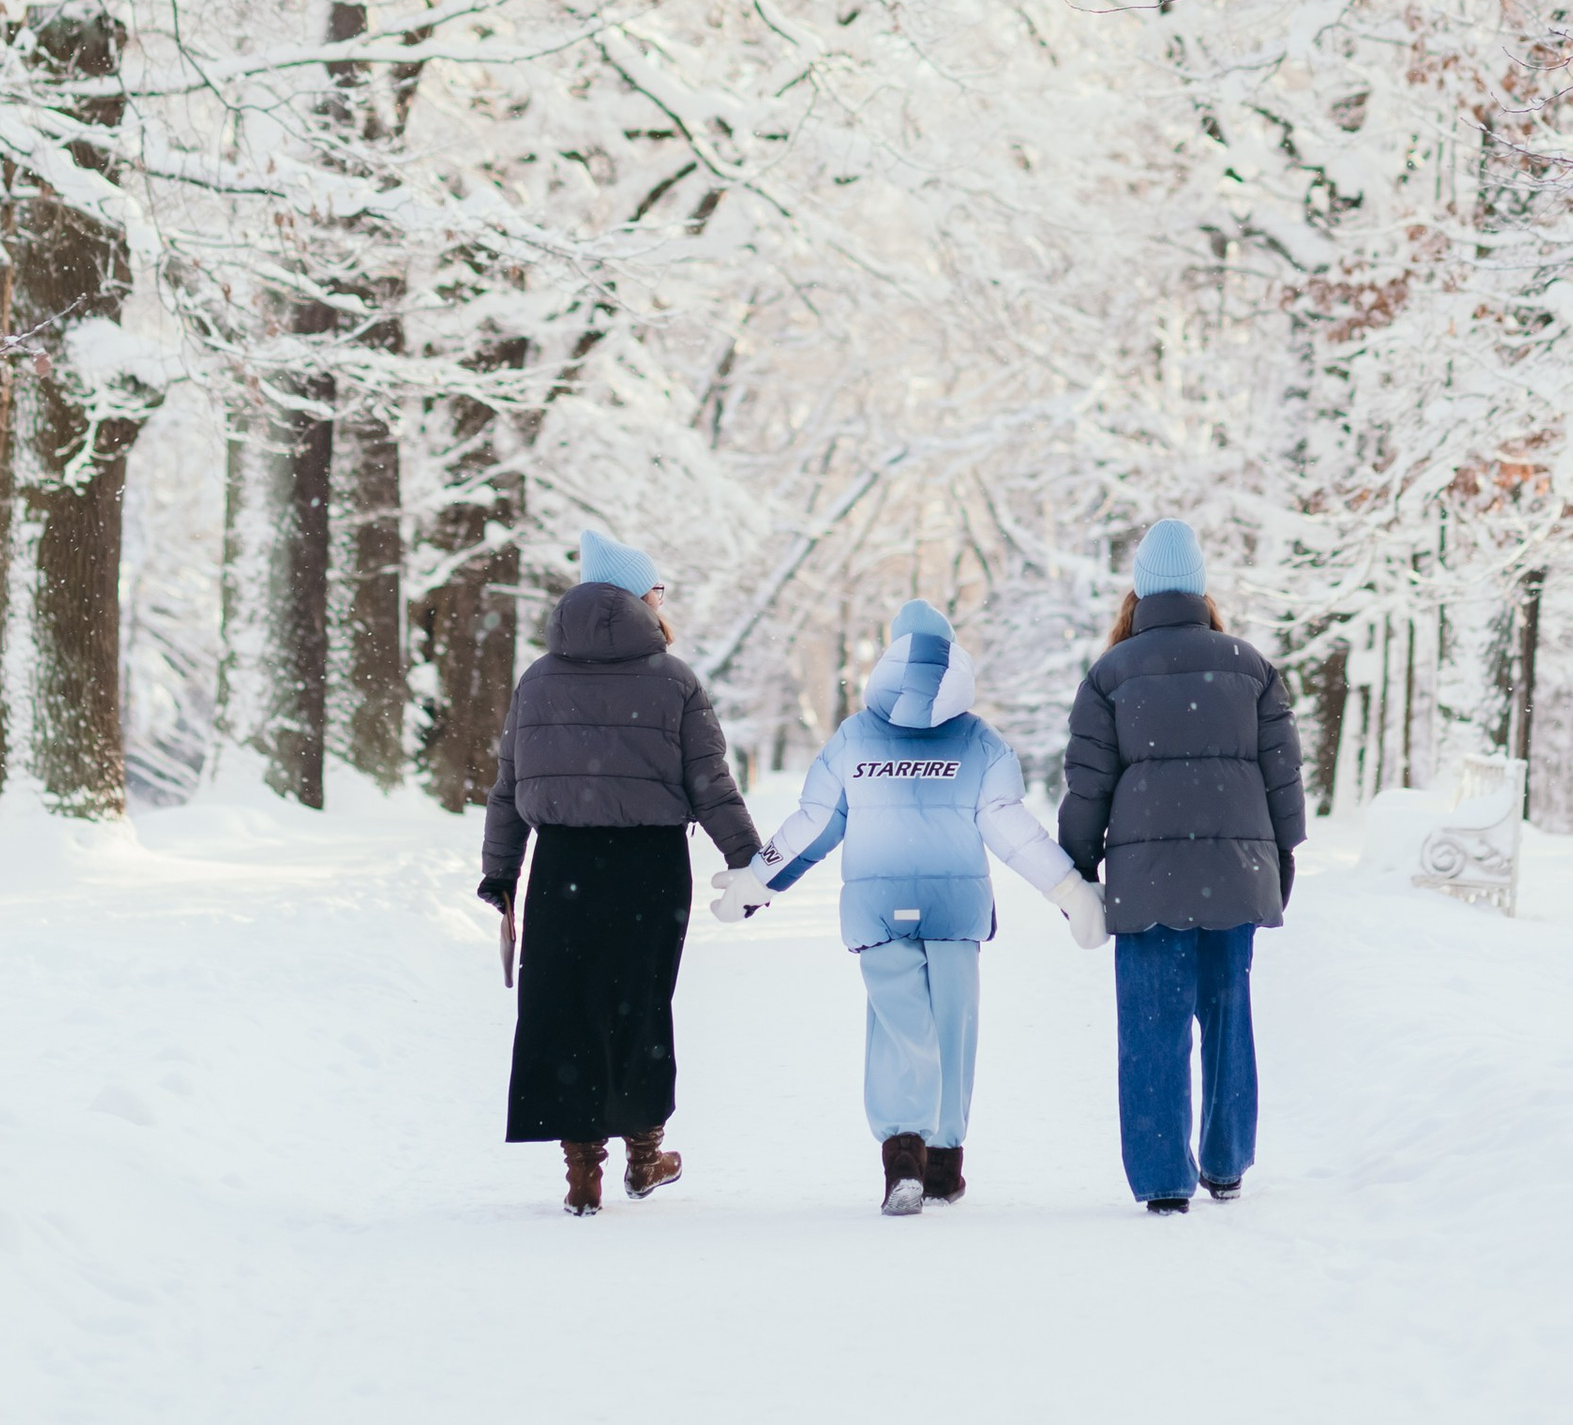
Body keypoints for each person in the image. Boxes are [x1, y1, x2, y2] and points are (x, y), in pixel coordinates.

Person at [712, 597, 1105, 1213]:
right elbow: (1012, 832)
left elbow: (814, 826)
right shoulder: (979, 742)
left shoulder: (853, 738)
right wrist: (1068, 891)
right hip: (955, 909)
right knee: (955, 1027)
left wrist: (757, 883)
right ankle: (945, 1165)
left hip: (878, 906)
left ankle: (904, 1157)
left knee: (899, 1030)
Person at [479, 528, 763, 1216]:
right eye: (658, 589)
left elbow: (508, 786)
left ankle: (582, 1171)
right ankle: (644, 1154)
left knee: (565, 1007)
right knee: (640, 1006)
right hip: (650, 864)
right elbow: (710, 782)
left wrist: (501, 872)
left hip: (563, 865)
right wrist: (748, 862)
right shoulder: (673, 679)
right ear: (641, 598)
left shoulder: (539, 679)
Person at [1058, 518, 1305, 1213]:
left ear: (1136, 595)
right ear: (1202, 590)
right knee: (1229, 1017)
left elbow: (1088, 786)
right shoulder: (1251, 666)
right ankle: (1226, 1162)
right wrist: (1280, 860)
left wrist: (1078, 871)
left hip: (1147, 882)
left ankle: (1165, 1176)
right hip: (1238, 870)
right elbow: (1284, 777)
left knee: (1151, 1026)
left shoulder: (1110, 675)